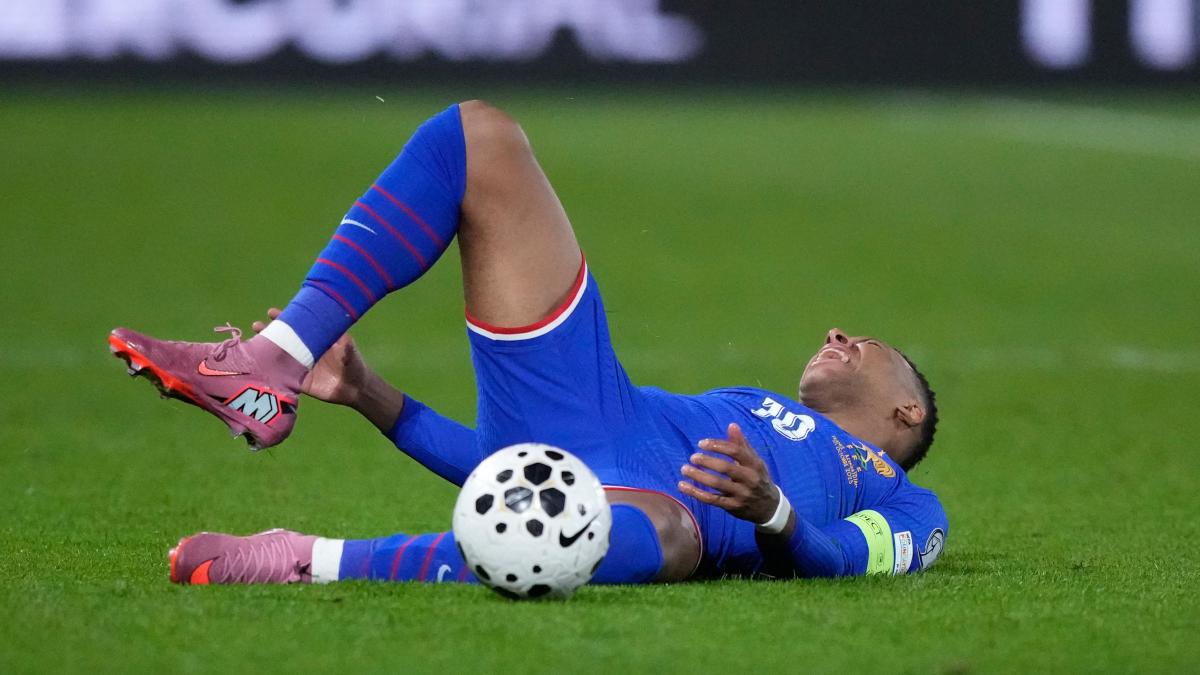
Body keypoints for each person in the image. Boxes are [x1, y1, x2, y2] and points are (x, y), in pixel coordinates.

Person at [110, 101, 948, 587]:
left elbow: (840, 559)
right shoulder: (748, 405)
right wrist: (371, 394)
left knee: (655, 529)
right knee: (479, 138)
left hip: (664, 520)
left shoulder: (906, 500)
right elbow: (525, 468)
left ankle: (305, 559)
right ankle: (273, 359)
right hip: (594, 412)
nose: (838, 334)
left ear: (906, 410)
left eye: (867, 342)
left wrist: (772, 511)